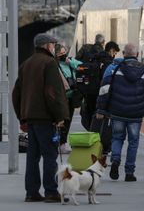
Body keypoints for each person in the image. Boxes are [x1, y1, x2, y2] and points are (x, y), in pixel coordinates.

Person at [12, 33, 70, 203]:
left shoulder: (26, 64)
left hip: (31, 118)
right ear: (46, 46)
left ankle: (31, 192)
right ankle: (51, 191)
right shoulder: (49, 63)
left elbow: (16, 94)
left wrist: (22, 117)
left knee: (33, 156)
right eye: (53, 44)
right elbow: (53, 93)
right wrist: (60, 116)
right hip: (46, 119)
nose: (55, 47)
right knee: (50, 155)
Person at [96, 43, 144, 182]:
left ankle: (115, 161)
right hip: (135, 113)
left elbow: (104, 89)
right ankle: (129, 173)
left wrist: (101, 109)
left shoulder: (113, 68)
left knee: (117, 138)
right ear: (137, 55)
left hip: (117, 111)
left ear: (123, 53)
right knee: (133, 142)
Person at [79, 40, 119, 131]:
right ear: (111, 50)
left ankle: (91, 137)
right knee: (100, 121)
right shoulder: (108, 63)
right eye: (115, 53)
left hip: (89, 94)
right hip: (100, 95)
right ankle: (97, 139)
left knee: (90, 116)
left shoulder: (94, 59)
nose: (114, 55)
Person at [55, 44, 83, 154]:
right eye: (60, 54)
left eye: (64, 53)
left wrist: (71, 63)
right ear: (56, 55)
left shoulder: (71, 62)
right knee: (61, 121)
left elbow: (83, 67)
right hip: (62, 98)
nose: (63, 55)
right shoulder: (55, 65)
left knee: (68, 120)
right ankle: (59, 142)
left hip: (72, 97)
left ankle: (63, 143)